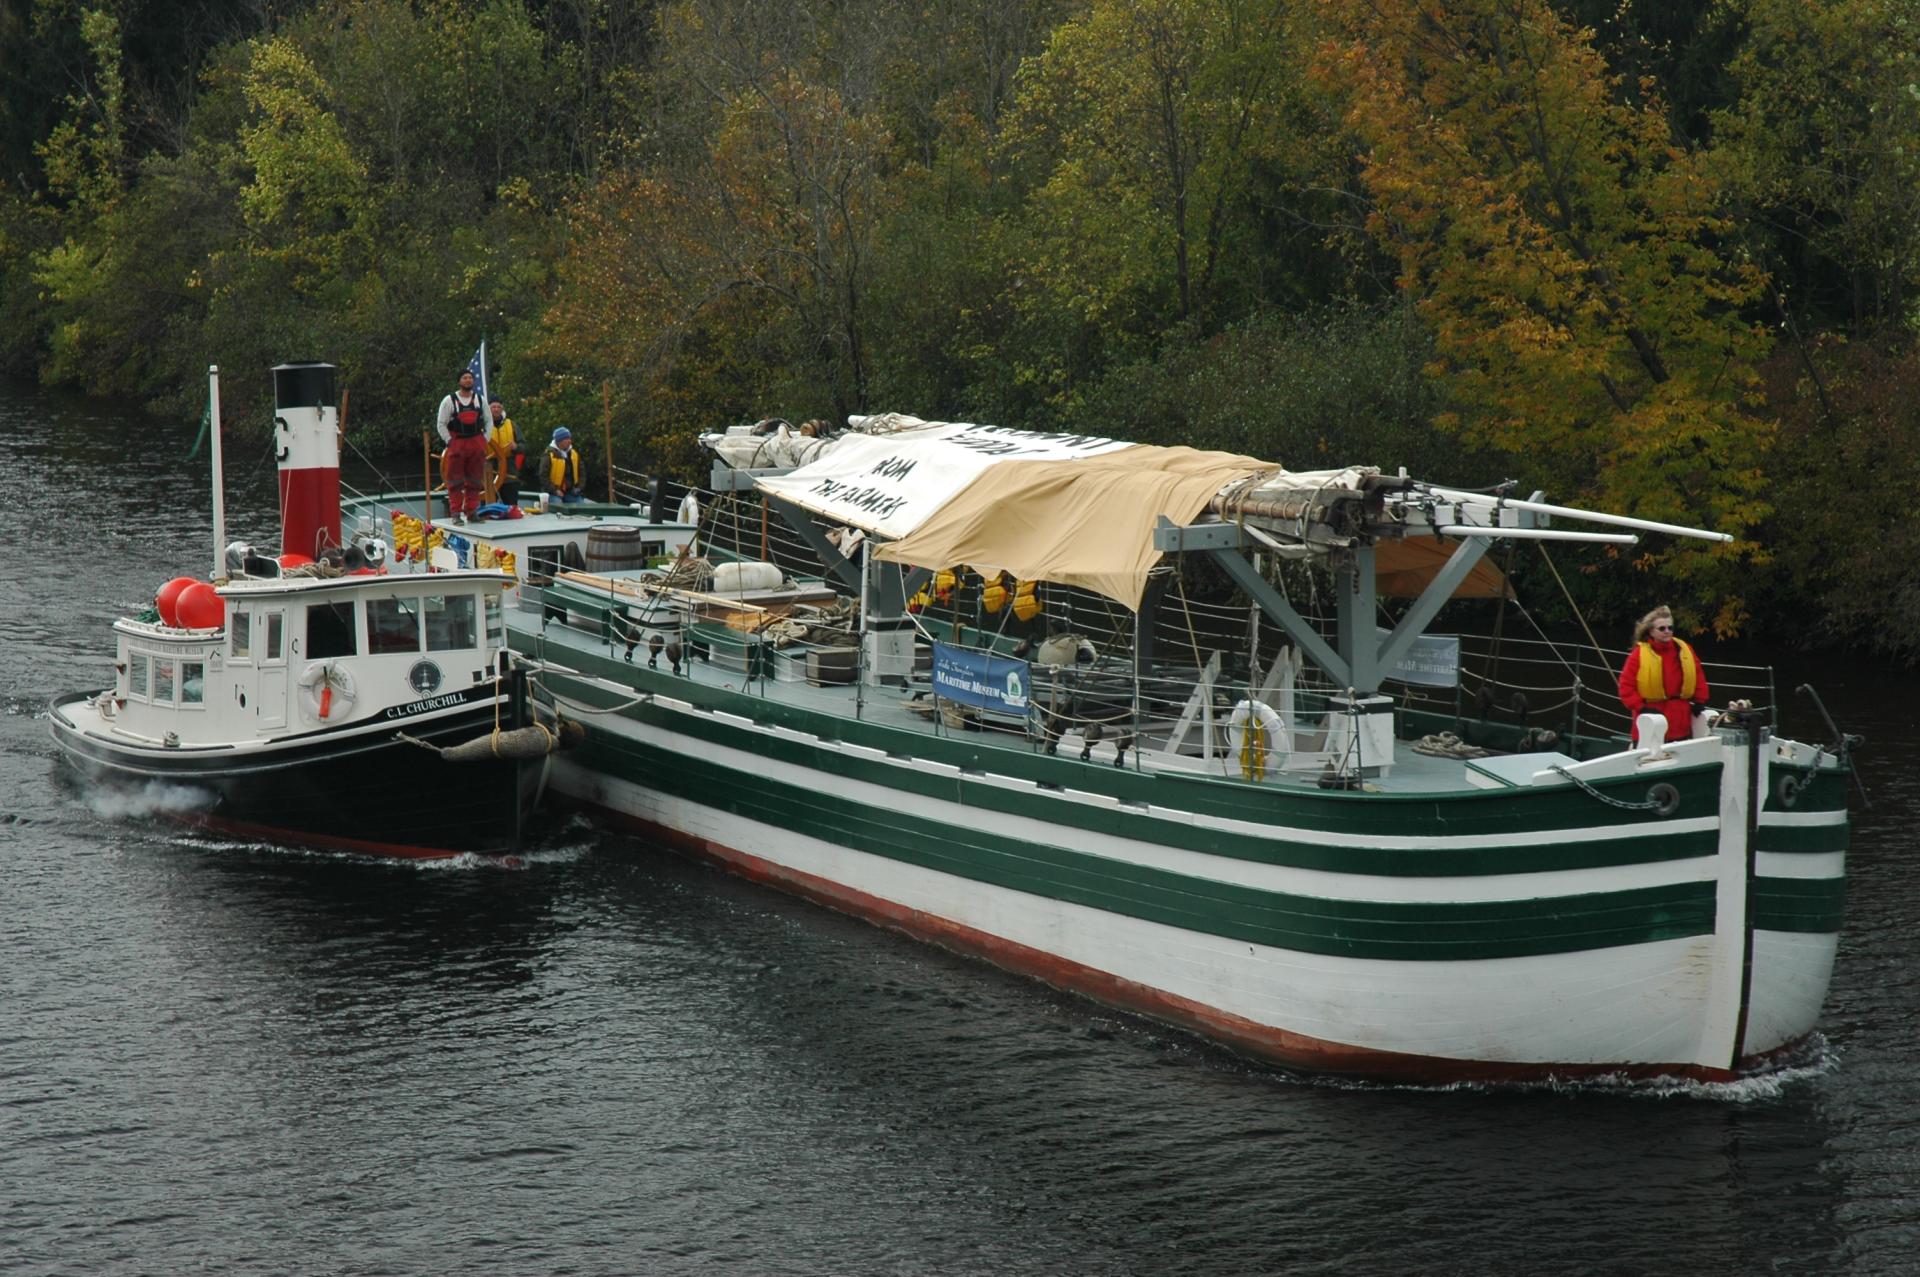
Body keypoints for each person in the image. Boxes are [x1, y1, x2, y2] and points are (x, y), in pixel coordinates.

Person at [1617, 605, 1710, 745]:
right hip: (1651, 719)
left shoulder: (1685, 650)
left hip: (1680, 722)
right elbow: (1625, 686)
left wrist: (1699, 701)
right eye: (1662, 628)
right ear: (1651, 632)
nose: (1667, 631)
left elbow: (1698, 677)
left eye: (1670, 628)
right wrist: (1641, 707)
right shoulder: (1638, 655)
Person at [435, 369, 490, 524]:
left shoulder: (480, 399)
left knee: (475, 480)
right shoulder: (449, 401)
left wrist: (485, 440)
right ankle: (456, 513)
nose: (468, 380)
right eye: (465, 378)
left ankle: (472, 512)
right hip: (457, 443)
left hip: (476, 443)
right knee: (455, 481)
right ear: (459, 381)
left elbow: (488, 421)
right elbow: (441, 424)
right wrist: (449, 441)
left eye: (470, 378)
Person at [485, 395, 525, 505]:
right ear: (489, 409)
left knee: (511, 506)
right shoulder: (482, 426)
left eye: (498, 407)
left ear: (502, 408)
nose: (496, 409)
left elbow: (523, 447)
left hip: (509, 473)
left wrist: (516, 447)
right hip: (489, 472)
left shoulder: (512, 425)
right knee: (488, 507)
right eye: (493, 407)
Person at [544, 427, 586, 505]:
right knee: (558, 505)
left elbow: (582, 473)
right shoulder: (549, 455)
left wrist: (579, 488)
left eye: (569, 438)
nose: (569, 441)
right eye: (566, 439)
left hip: (570, 492)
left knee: (580, 505)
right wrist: (555, 490)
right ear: (559, 441)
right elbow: (543, 477)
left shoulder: (574, 454)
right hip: (553, 492)